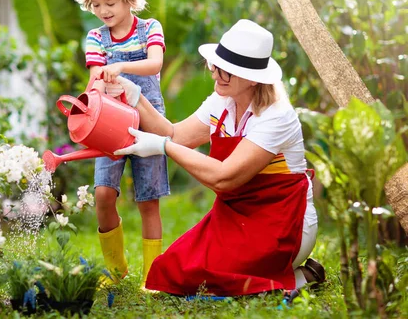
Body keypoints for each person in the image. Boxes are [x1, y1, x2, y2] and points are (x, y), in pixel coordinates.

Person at [112, 19, 326, 296]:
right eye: (215, 66)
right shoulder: (221, 101)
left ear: (252, 78)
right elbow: (176, 135)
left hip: (283, 224)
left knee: (221, 283)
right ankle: (280, 279)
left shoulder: (278, 116)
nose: (216, 75)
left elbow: (225, 178)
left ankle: (301, 277)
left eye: (227, 72)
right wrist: (137, 98)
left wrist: (163, 147)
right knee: (172, 271)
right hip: (233, 219)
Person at [75, 0, 169, 288]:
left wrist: (121, 68)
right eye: (96, 4)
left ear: (129, 0)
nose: (103, 10)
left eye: (110, 3)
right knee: (103, 194)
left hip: (148, 120)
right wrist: (91, 95)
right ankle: (116, 270)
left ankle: (152, 276)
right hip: (109, 123)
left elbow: (155, 62)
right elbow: (94, 80)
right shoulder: (96, 37)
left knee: (148, 199)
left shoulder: (149, 28)